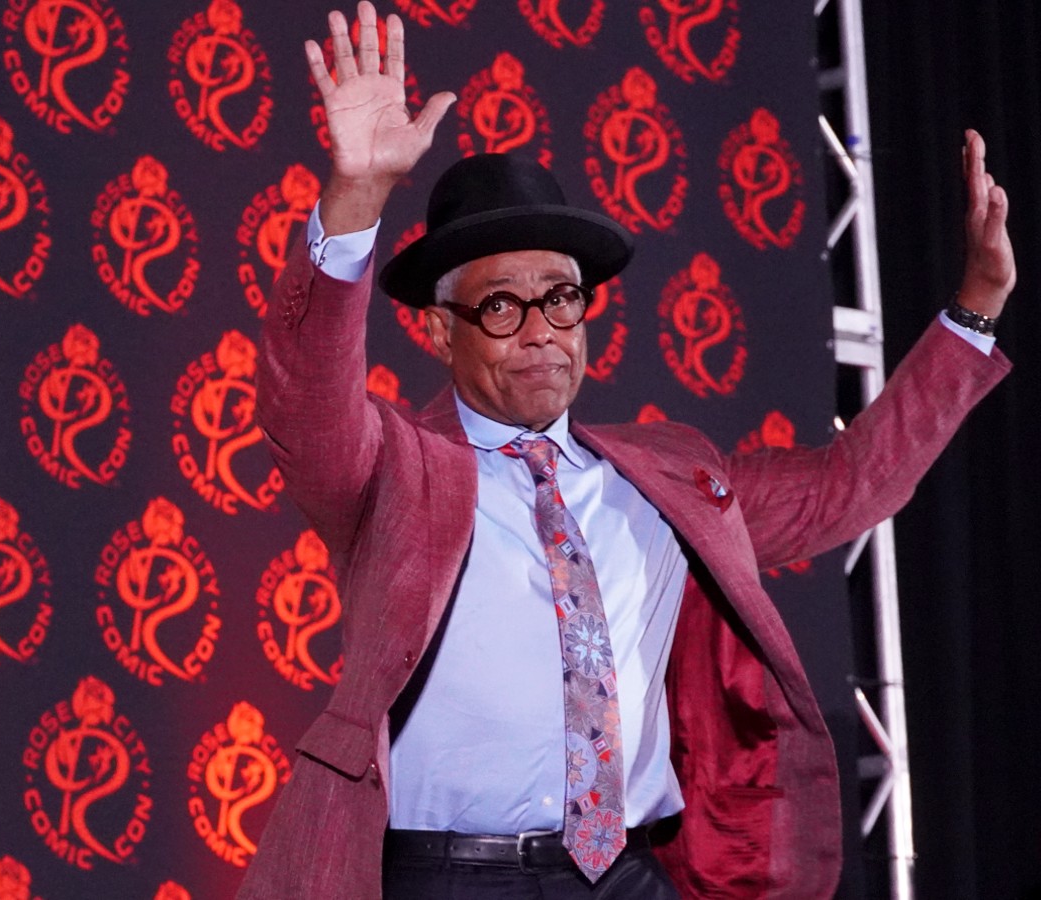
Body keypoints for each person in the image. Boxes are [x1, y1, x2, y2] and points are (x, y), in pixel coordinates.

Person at [237, 4, 1015, 899]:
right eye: (500, 307)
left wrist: (974, 311)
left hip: (632, 873)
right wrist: (357, 200)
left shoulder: (664, 478)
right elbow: (307, 399)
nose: (538, 331)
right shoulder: (394, 469)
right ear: (441, 336)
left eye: (561, 298)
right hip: (447, 877)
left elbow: (847, 485)